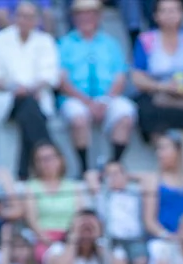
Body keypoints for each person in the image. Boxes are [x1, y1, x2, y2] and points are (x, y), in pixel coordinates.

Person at [0, 0, 61, 178]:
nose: (24, 20)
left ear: (37, 20)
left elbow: (50, 76)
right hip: (7, 97)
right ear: (13, 17)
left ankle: (23, 172)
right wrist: (14, 88)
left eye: (29, 17)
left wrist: (29, 89)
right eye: (20, 16)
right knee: (28, 106)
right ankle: (50, 156)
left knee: (28, 109)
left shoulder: (45, 40)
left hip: (36, 96)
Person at [58, 0, 135, 173]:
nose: (87, 18)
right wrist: (87, 102)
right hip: (76, 98)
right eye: (81, 14)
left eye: (91, 14)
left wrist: (106, 99)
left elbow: (120, 77)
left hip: (107, 97)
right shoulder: (65, 44)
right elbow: (61, 81)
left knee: (125, 113)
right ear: (74, 18)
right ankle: (85, 169)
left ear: (99, 17)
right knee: (78, 118)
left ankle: (113, 165)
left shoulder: (110, 43)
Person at [132, 0, 183, 142]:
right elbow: (137, 76)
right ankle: (162, 151)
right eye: (164, 11)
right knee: (146, 109)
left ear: (182, 13)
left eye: (174, 10)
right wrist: (163, 87)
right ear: (155, 16)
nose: (169, 15)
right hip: (158, 93)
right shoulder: (146, 39)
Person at [90, 159, 146, 264]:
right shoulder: (101, 196)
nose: (113, 177)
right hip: (113, 240)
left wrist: (129, 177)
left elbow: (149, 178)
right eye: (109, 174)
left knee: (141, 261)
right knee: (117, 261)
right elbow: (89, 175)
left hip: (134, 239)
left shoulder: (136, 194)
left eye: (117, 173)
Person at [24, 140, 79, 250]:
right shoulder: (31, 187)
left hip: (71, 239)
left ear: (60, 159)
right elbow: (32, 220)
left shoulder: (73, 187)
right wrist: (48, 241)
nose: (46, 163)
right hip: (43, 239)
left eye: (49, 158)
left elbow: (79, 217)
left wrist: (70, 240)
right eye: (40, 160)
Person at [47, 208, 127, 264]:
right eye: (82, 228)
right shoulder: (58, 248)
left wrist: (98, 240)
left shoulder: (113, 249)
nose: (86, 233)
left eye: (91, 228)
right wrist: (73, 240)